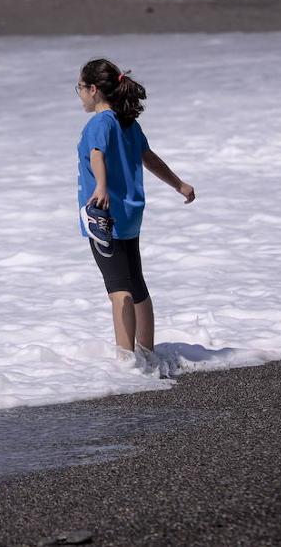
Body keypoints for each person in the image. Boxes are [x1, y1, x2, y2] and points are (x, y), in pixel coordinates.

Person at [76, 59, 196, 367]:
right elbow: (149, 158)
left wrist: (100, 187)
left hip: (104, 217)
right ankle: (148, 353)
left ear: (93, 89)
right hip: (130, 215)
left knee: (119, 290)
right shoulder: (128, 123)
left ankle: (127, 362)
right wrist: (179, 184)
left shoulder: (100, 123)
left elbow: (97, 154)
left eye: (79, 88)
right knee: (137, 285)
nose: (78, 94)